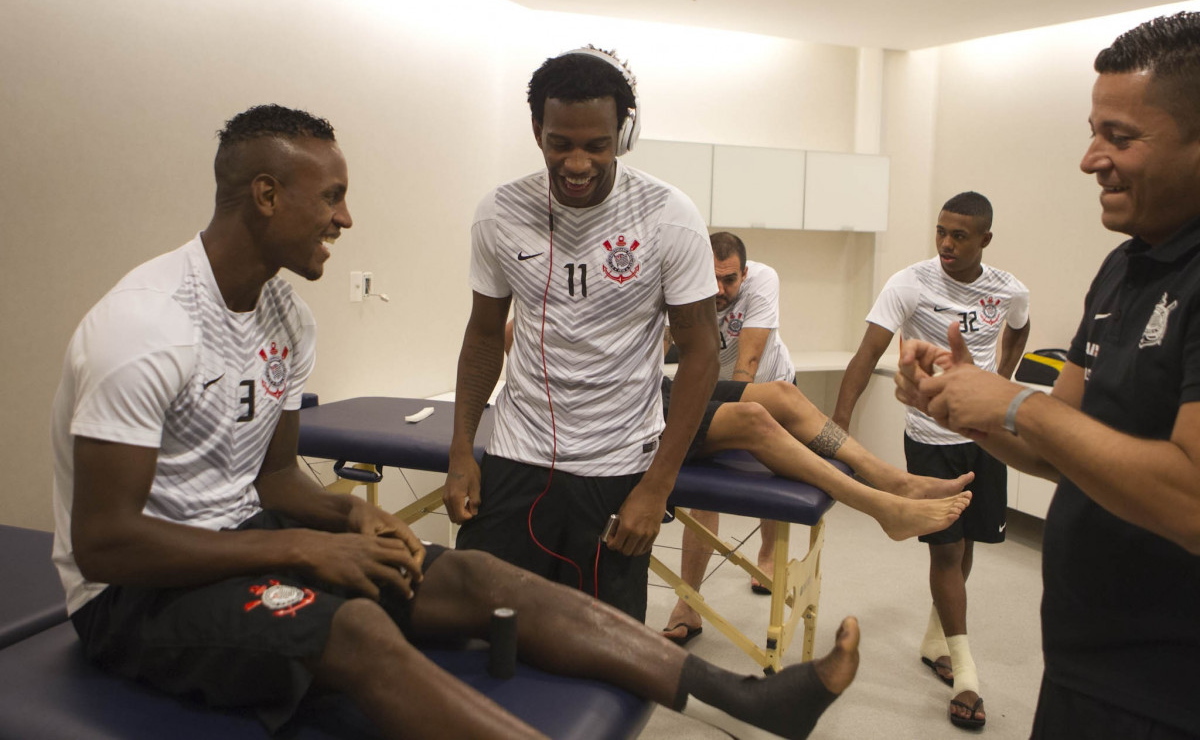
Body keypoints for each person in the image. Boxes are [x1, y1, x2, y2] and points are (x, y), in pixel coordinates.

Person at [51, 103, 861, 740]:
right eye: (331, 196)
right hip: (134, 597)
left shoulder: (285, 315)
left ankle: (752, 698)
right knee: (361, 629)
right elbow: (107, 543)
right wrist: (302, 545)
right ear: (266, 195)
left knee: (485, 579)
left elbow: (273, 477)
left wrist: (352, 513)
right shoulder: (146, 325)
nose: (346, 219)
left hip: (243, 540)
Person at [894, 12, 1200, 739]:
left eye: (1120, 137)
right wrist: (960, 404)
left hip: (1171, 690)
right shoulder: (1125, 268)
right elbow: (1064, 448)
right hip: (1082, 664)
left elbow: (1192, 498)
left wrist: (1014, 404)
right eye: (1094, 130)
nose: (1091, 158)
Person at [444, 46, 721, 622]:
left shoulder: (669, 216)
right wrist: (462, 450)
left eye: (596, 145)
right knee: (475, 623)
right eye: (559, 143)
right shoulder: (499, 213)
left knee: (600, 644)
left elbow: (700, 355)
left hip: (617, 465)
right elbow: (482, 334)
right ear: (536, 131)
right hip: (518, 454)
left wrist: (657, 486)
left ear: (623, 132)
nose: (576, 163)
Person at [660, 233, 974, 645]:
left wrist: (738, 401)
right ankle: (880, 507)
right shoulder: (681, 287)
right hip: (668, 398)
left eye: (729, 280)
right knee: (754, 418)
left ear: (744, 273)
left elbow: (748, 359)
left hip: (725, 380)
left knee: (782, 396)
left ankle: (896, 482)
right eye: (713, 280)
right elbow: (661, 347)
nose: (720, 290)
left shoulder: (760, 281)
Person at [833, 191, 1030, 730]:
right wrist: (838, 429)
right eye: (941, 231)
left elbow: (1019, 323)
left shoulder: (1007, 288)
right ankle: (966, 674)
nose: (945, 243)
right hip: (930, 437)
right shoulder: (910, 283)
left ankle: (936, 640)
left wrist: (1002, 380)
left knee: (965, 548)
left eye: (959, 235)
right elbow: (866, 355)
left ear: (985, 239)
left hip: (987, 437)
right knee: (947, 553)